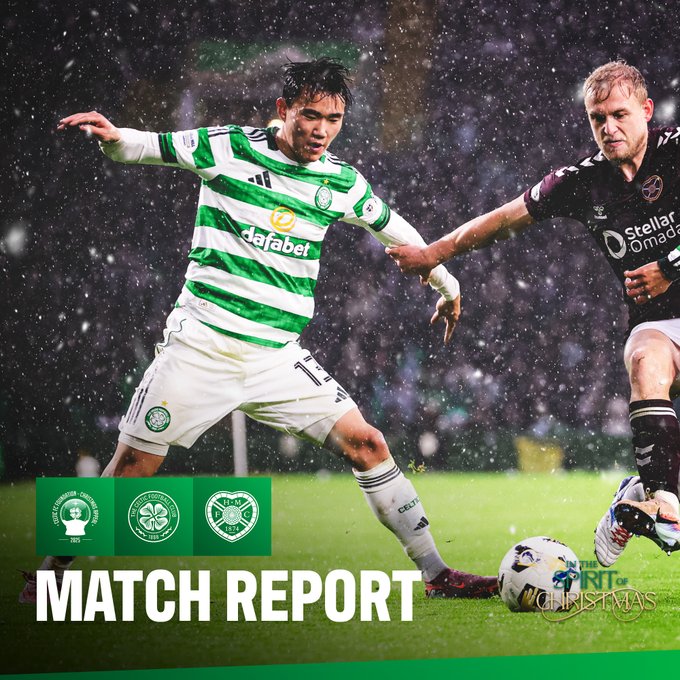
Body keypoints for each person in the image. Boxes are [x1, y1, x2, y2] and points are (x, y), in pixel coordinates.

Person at [20, 58, 497, 603]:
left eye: (334, 119)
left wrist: (448, 285)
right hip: (201, 347)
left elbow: (399, 234)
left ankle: (436, 574)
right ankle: (50, 573)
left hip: (276, 357)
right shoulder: (227, 148)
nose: (321, 130)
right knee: (132, 467)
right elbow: (149, 146)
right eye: (310, 115)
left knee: (367, 443)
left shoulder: (341, 182)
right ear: (283, 109)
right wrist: (114, 137)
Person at [388, 61, 680, 567]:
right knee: (643, 359)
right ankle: (665, 505)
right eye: (597, 118)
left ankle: (638, 493)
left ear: (647, 111)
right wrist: (435, 253)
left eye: (619, 115)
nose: (608, 128)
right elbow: (504, 220)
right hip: (660, 322)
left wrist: (670, 267)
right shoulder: (582, 181)